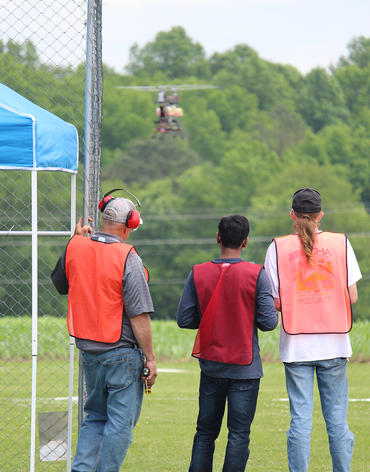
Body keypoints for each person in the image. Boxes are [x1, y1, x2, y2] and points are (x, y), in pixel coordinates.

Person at [51, 194, 157, 472]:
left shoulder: (76, 246)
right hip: (122, 353)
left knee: (95, 417)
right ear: (130, 224)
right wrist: (151, 358)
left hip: (89, 352)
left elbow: (60, 284)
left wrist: (72, 242)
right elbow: (139, 314)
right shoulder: (127, 256)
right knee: (120, 424)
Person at [264, 187, 362, 472]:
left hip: (297, 346)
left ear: (292, 215)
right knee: (337, 421)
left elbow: (275, 300)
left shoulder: (277, 248)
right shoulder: (341, 243)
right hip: (335, 343)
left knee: (300, 421)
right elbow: (352, 296)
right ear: (321, 215)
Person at [177, 215, 278, 472]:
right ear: (245, 241)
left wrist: (212, 314)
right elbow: (269, 323)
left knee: (205, 433)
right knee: (238, 435)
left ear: (218, 238)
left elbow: (185, 319)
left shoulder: (198, 272)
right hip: (245, 369)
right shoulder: (257, 274)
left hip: (211, 366)